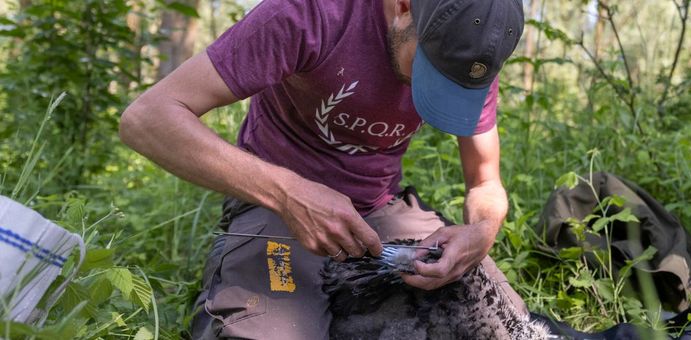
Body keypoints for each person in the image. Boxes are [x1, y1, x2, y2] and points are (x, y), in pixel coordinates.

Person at [119, 0, 525, 338]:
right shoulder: (312, 14)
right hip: (275, 208)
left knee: (501, 325)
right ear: (403, 7)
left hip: (382, 215)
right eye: (428, 73)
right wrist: (287, 194)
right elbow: (147, 119)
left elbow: (486, 181)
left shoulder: (468, 56)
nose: (433, 92)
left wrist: (481, 231)